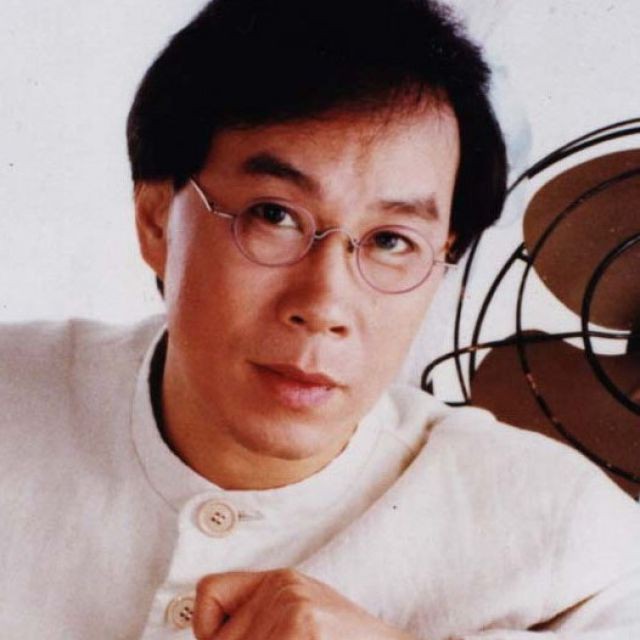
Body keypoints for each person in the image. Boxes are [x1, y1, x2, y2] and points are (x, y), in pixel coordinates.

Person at [1, 1, 639, 638]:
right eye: (274, 215)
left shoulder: (571, 539)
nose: (325, 305)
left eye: (391, 241)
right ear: (156, 221)